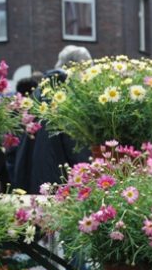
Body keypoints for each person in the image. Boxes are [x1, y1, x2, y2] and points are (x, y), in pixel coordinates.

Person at [12, 46, 92, 194]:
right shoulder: (69, 94)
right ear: (80, 67)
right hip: (57, 181)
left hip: (29, 176)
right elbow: (74, 144)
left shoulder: (38, 91)